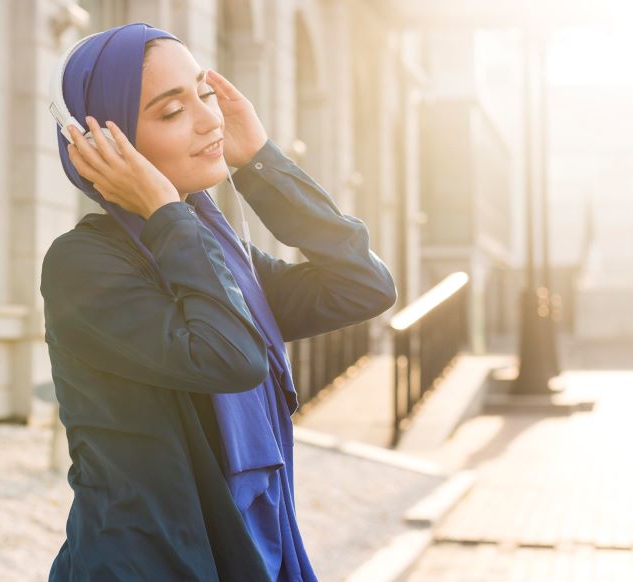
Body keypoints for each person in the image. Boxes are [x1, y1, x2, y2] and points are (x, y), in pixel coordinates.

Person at [40, 22, 397, 581]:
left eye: (204, 94)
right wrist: (166, 214)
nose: (210, 119)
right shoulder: (83, 266)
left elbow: (362, 284)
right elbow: (228, 357)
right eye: (170, 110)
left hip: (257, 550)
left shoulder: (217, 257)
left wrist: (260, 162)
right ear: (106, 145)